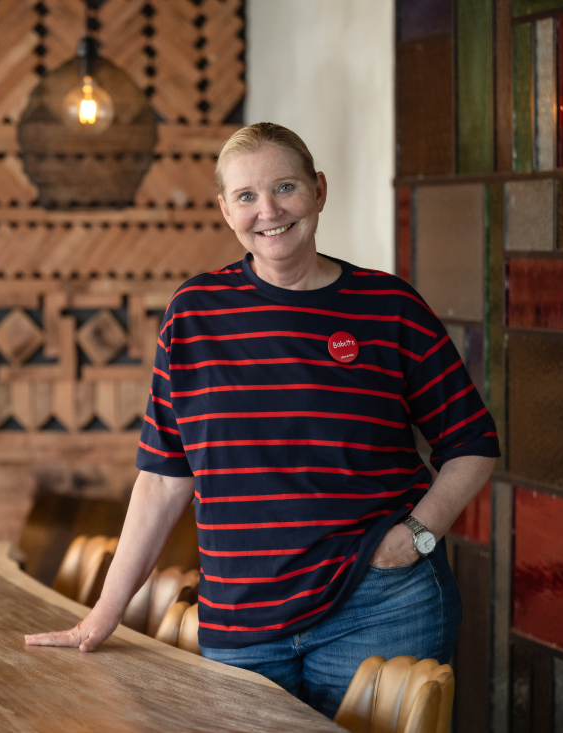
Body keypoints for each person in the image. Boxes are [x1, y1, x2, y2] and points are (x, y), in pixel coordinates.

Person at [25, 122, 498, 718]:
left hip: (378, 604)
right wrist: (103, 615)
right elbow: (164, 479)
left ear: (319, 190)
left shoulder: (389, 307)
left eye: (285, 188)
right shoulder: (194, 316)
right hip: (239, 619)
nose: (268, 210)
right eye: (246, 196)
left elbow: (472, 442)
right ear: (225, 210)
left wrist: (417, 537)